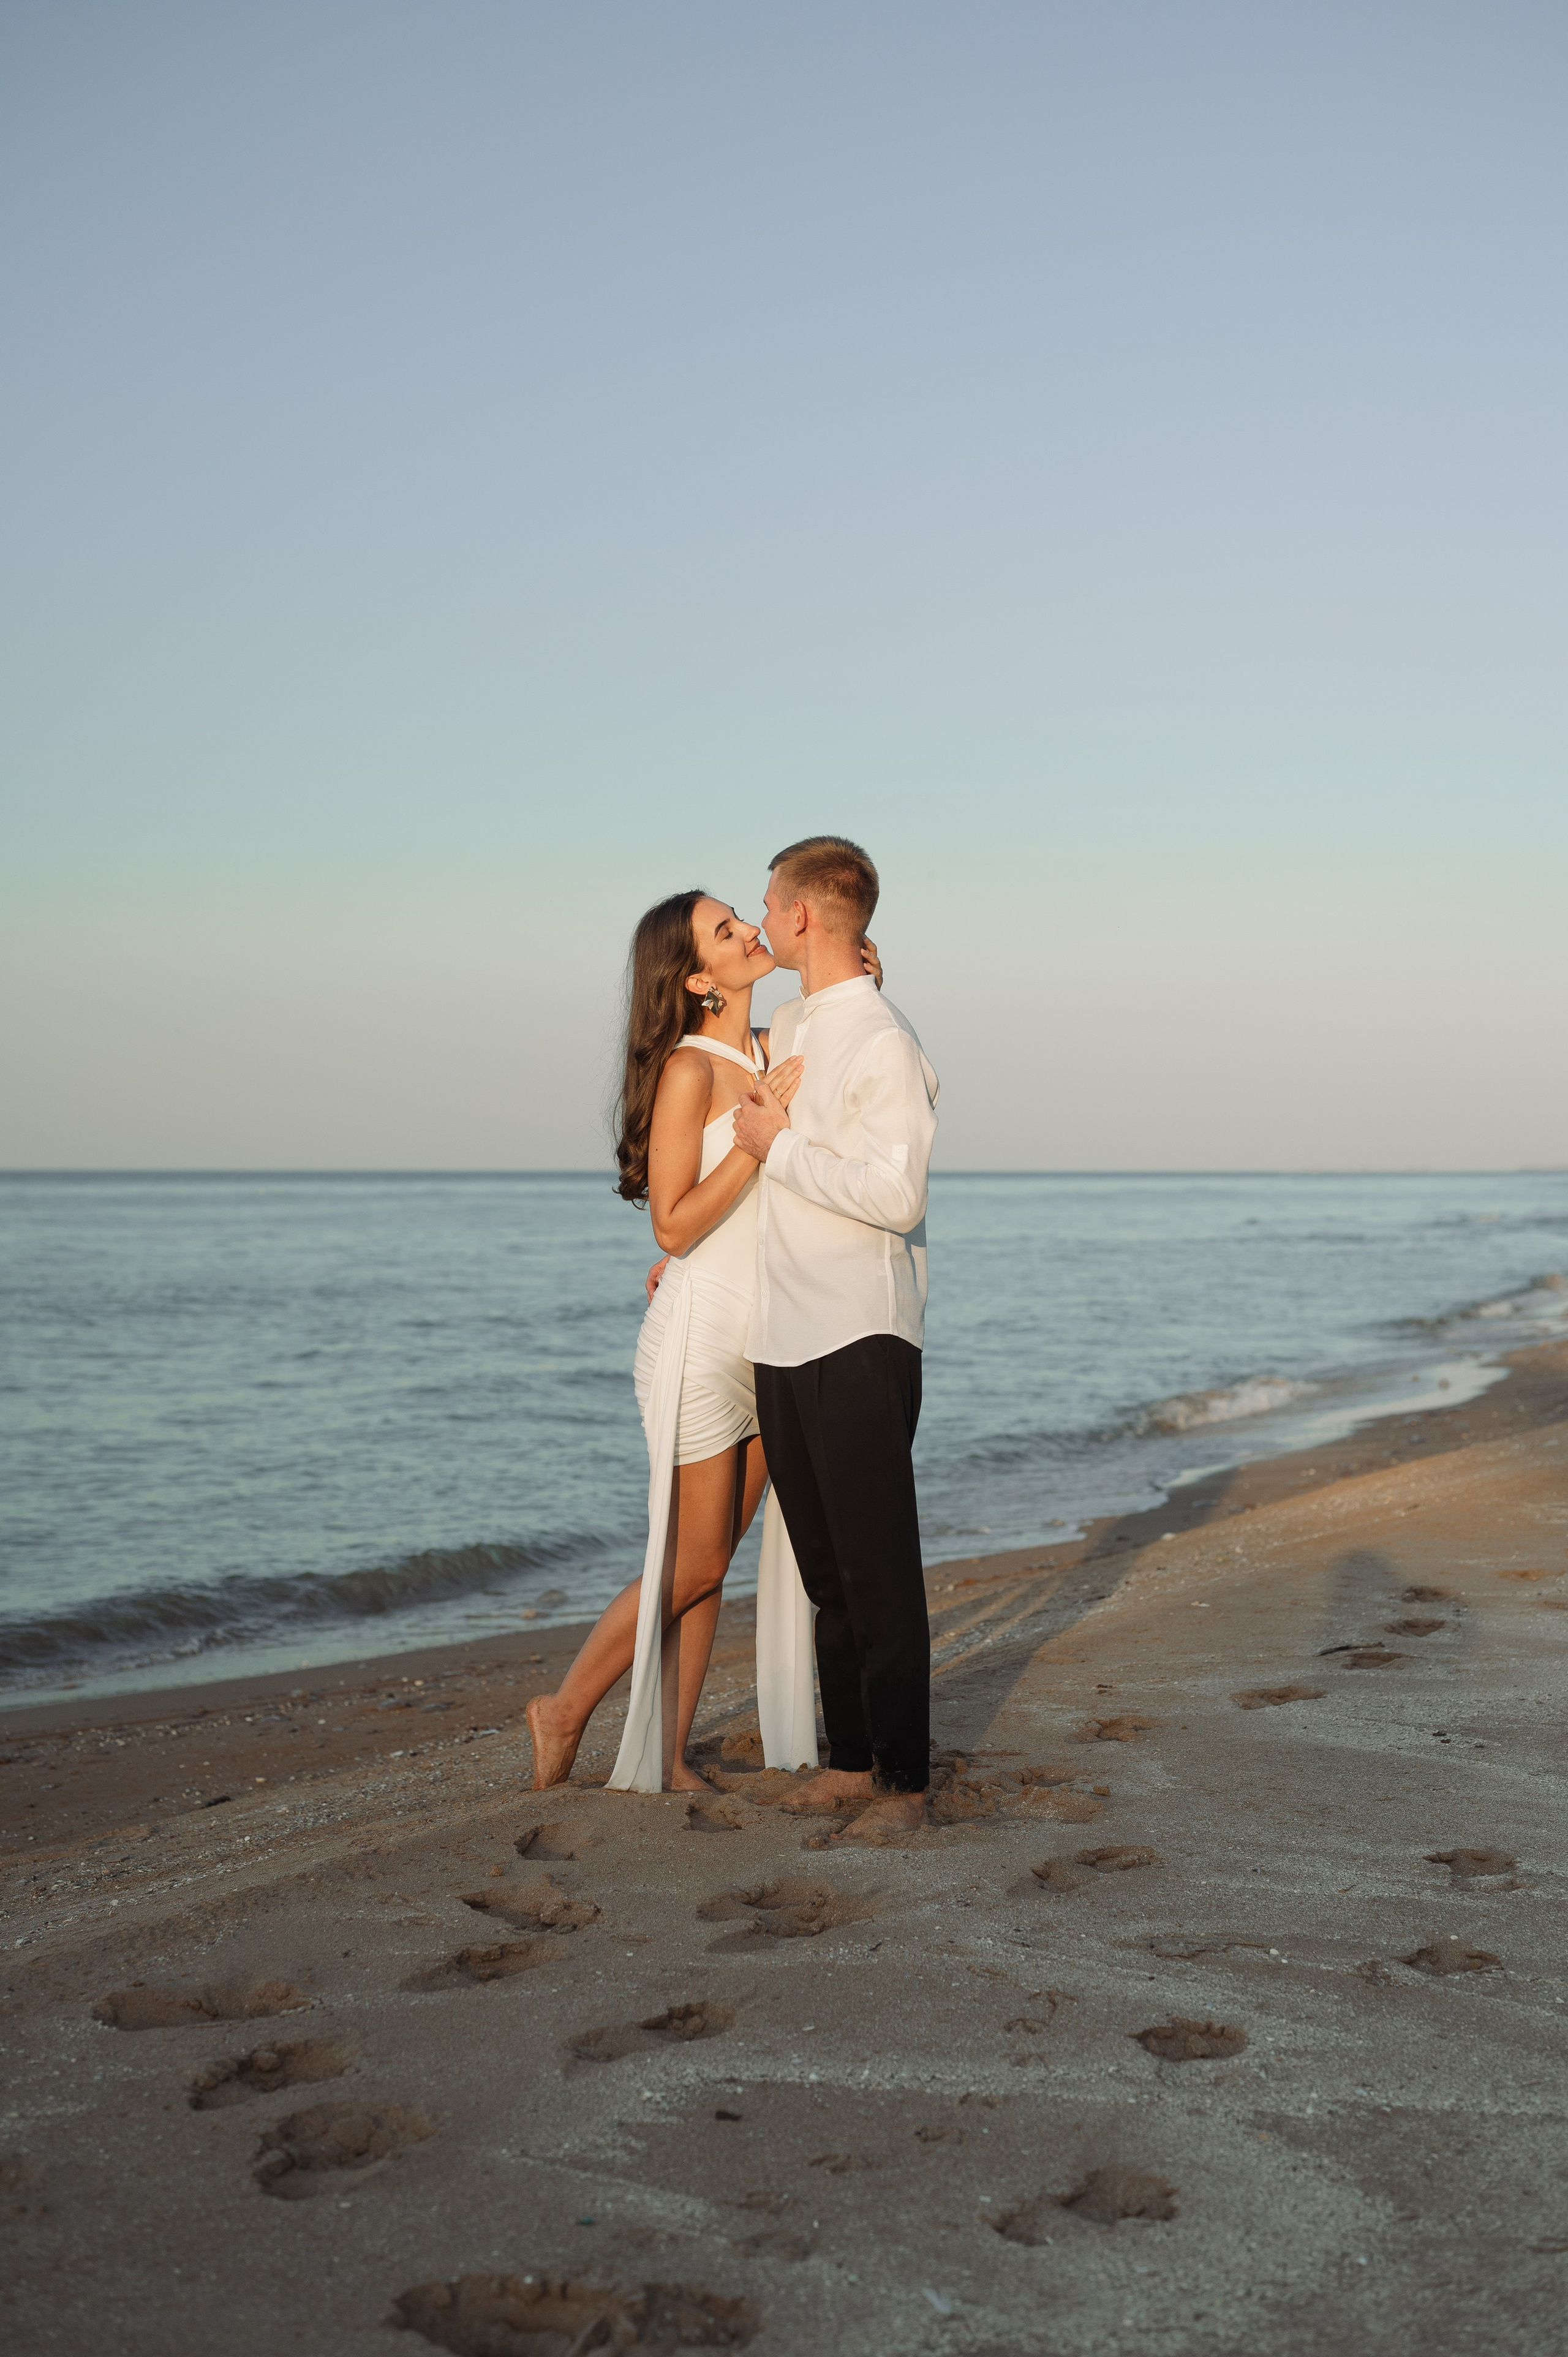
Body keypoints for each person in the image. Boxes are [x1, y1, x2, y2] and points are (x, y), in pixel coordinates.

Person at [525, 890, 876, 1792]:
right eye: (728, 933)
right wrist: (755, 1146)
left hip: (776, 1335)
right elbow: (673, 1228)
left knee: (714, 1563)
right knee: (693, 1557)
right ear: (694, 978)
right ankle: (564, 1710)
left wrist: (873, 971)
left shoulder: (774, 1047)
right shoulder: (690, 1070)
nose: (752, 934)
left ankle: (671, 1754)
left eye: (741, 919)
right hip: (701, 1335)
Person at [731, 835, 939, 1842]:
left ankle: (904, 1782)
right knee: (824, 1572)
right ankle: (849, 1762)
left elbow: (896, 1196)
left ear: (804, 915)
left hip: (861, 1329)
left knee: (877, 1568)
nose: (761, 919)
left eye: (769, 904)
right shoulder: (792, 1019)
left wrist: (782, 1146)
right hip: (783, 1327)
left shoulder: (884, 1040)